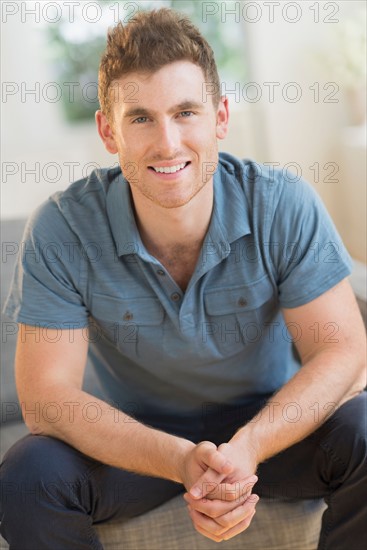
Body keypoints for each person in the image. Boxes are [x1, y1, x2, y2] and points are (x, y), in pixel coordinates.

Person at [0, 7, 366, 550]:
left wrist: (248, 447)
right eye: (141, 118)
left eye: (186, 112)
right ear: (108, 130)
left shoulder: (282, 203)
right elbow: (48, 398)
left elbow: (343, 352)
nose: (168, 144)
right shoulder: (61, 228)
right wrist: (177, 459)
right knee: (30, 474)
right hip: (138, 441)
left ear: (220, 117)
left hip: (272, 427)